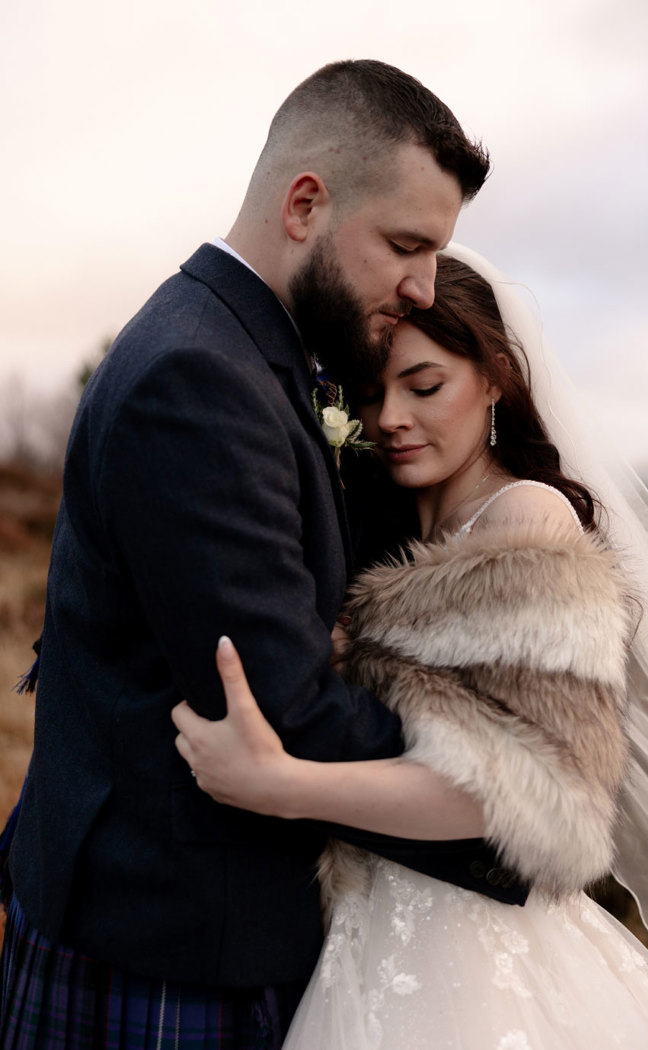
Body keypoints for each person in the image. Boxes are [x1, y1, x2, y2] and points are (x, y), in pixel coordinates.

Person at [0, 64, 531, 1049]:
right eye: (406, 245)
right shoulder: (201, 377)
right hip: (171, 934)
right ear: (304, 205)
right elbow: (281, 707)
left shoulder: (247, 348)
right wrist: (502, 796)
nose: (423, 285)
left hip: (175, 907)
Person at [173, 248, 648, 1048]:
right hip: (356, 933)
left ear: (493, 378)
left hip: (476, 964)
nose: (389, 418)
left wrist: (280, 784)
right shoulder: (375, 532)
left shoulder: (527, 520)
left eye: (424, 387)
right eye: (371, 391)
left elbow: (525, 797)